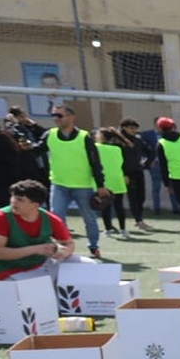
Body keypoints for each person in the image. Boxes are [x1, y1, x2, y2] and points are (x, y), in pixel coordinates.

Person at [34, 103, 110, 259]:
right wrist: (26, 146)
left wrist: (100, 185)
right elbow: (37, 149)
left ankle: (94, 247)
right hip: (59, 184)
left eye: (59, 115)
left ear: (71, 117)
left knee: (89, 218)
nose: (56, 119)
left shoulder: (84, 137)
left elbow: (95, 162)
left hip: (82, 185)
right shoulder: (50, 134)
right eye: (54, 115)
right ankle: (62, 248)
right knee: (56, 217)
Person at [0, 179, 75, 280]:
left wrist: (64, 252)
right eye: (13, 197)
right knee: (33, 287)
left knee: (85, 264)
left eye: (20, 200)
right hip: (7, 270)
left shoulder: (50, 219)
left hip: (42, 265)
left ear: (35, 205)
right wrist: (36, 249)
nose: (13, 202)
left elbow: (69, 243)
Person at [93, 128, 132, 240]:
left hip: (104, 180)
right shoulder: (118, 148)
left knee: (105, 206)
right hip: (117, 179)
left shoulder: (96, 147)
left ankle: (108, 229)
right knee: (119, 206)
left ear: (101, 137)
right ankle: (123, 229)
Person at [116, 119, 153, 231]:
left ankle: (139, 219)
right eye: (131, 127)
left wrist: (146, 163)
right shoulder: (118, 141)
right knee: (133, 197)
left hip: (138, 171)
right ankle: (138, 220)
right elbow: (115, 159)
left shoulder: (138, 140)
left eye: (135, 128)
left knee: (141, 196)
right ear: (124, 128)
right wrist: (122, 173)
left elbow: (151, 152)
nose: (134, 130)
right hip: (126, 172)